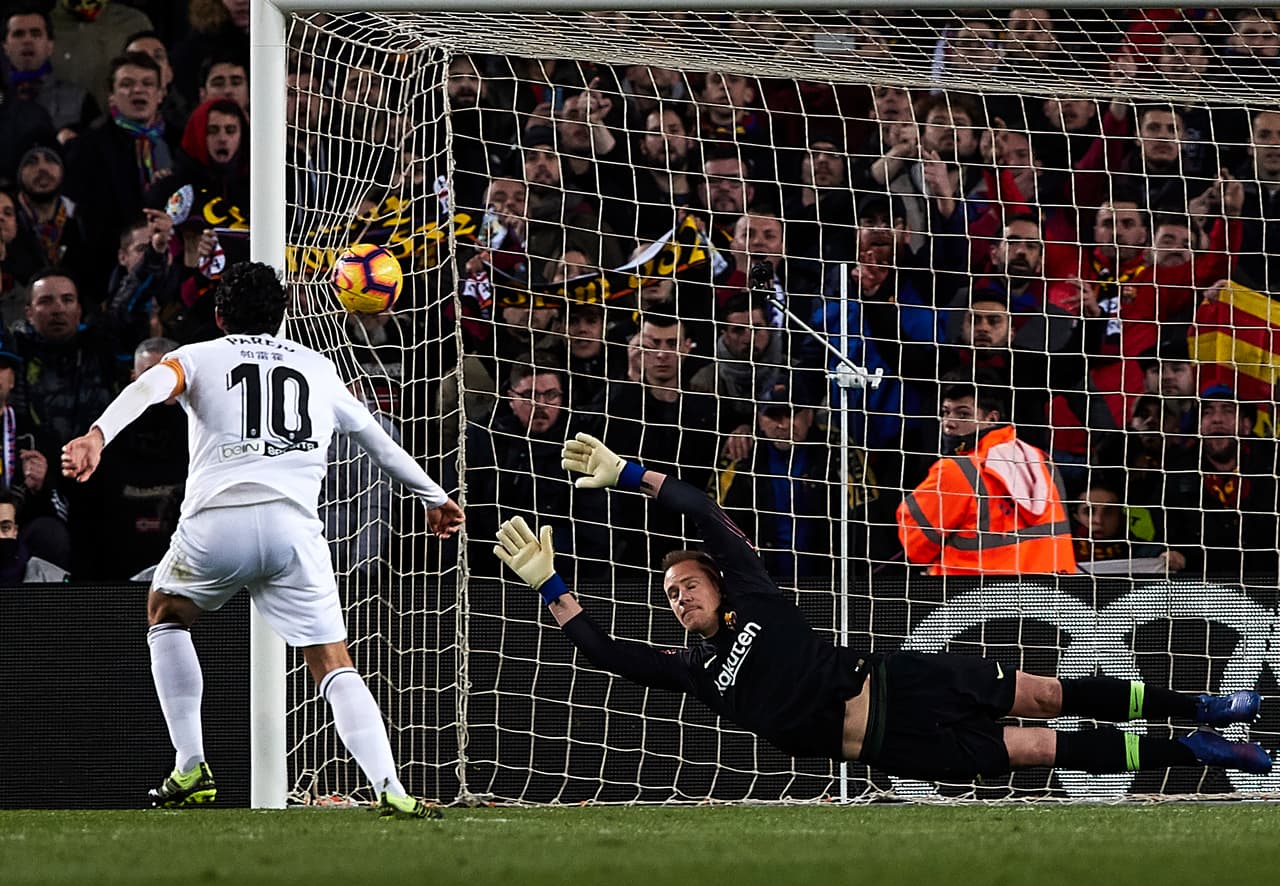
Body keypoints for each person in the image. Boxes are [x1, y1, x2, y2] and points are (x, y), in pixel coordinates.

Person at [492, 431, 1271, 783]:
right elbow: (607, 654)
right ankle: (1197, 753)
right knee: (1039, 750)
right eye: (670, 595)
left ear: (719, 585)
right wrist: (550, 587)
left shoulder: (756, 594)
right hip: (890, 747)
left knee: (1046, 692)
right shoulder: (697, 671)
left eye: (690, 582)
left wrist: (632, 474)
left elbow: (701, 511)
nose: (680, 593)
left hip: (903, 682)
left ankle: (1201, 704)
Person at [60, 261, 463, 817]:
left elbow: (151, 385)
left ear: (219, 315)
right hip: (293, 530)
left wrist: (97, 434)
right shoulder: (318, 368)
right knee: (331, 659)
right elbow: (377, 441)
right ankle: (390, 786)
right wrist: (434, 496)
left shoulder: (200, 355)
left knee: (166, 614)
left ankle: (190, 766)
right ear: (279, 320)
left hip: (217, 523)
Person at [898, 380, 1078, 576]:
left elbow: (916, 546)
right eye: (945, 412)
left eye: (963, 414)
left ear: (991, 418)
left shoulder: (955, 471)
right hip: (1052, 594)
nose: (949, 423)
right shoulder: (1040, 459)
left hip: (976, 597)